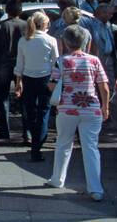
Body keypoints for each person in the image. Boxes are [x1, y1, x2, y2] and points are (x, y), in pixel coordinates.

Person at [45, 24, 110, 201]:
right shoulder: (94, 60)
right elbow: (103, 85)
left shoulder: (61, 61)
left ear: (66, 42)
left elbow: (52, 84)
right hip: (91, 108)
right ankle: (96, 189)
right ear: (85, 41)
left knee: (63, 143)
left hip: (67, 108)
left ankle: (57, 179)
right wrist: (105, 107)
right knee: (91, 147)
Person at [15, 11, 59, 162]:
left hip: (28, 78)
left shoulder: (23, 40)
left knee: (31, 112)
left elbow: (19, 63)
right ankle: (37, 145)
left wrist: (18, 81)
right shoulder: (50, 40)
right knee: (44, 112)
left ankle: (34, 141)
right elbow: (56, 63)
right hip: (45, 78)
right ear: (44, 24)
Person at [0, 0, 28, 142]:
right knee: (24, 99)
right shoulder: (26, 26)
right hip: (22, 64)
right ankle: (27, 133)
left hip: (4, 63)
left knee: (3, 97)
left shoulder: (0, 26)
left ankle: (4, 130)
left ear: (7, 10)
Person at [81, 4, 117, 82]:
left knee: (110, 80)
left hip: (109, 57)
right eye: (109, 14)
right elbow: (93, 43)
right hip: (99, 56)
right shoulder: (92, 25)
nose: (111, 16)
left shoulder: (108, 24)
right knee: (99, 79)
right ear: (102, 14)